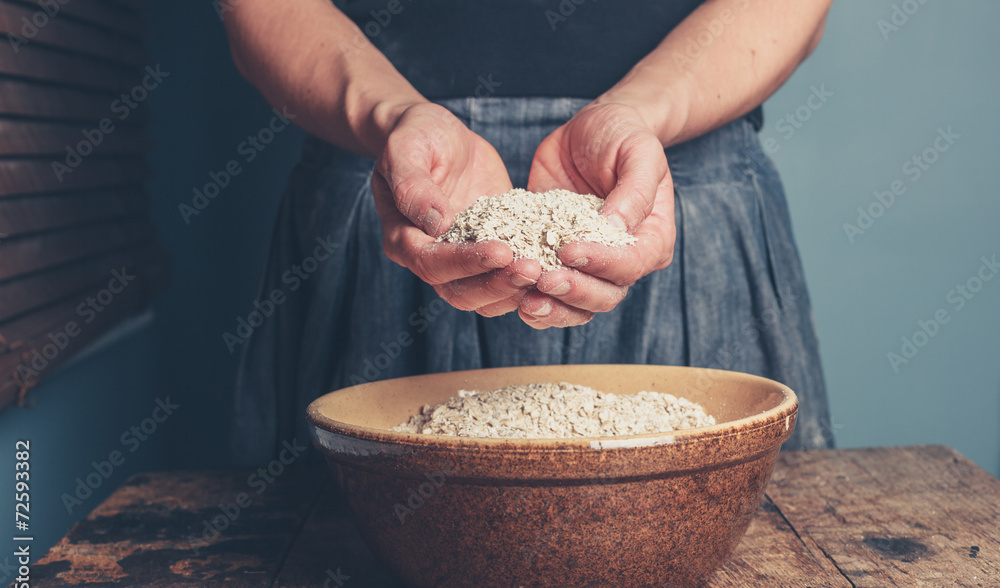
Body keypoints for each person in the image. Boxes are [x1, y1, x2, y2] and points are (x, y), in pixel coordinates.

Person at [224, 0, 836, 462]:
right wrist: (393, 117)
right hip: (394, 186)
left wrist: (642, 111)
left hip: (668, 179)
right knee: (347, 556)